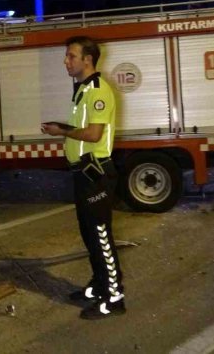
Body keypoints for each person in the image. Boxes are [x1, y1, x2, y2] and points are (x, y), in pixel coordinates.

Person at [41, 36, 124, 320]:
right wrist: (62, 127)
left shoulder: (98, 90)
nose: (66, 61)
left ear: (87, 59)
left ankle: (114, 297)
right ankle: (99, 285)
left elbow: (93, 134)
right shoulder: (82, 89)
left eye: (71, 56)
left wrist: (61, 131)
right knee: (89, 234)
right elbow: (81, 129)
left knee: (100, 235)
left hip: (96, 173)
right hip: (83, 173)